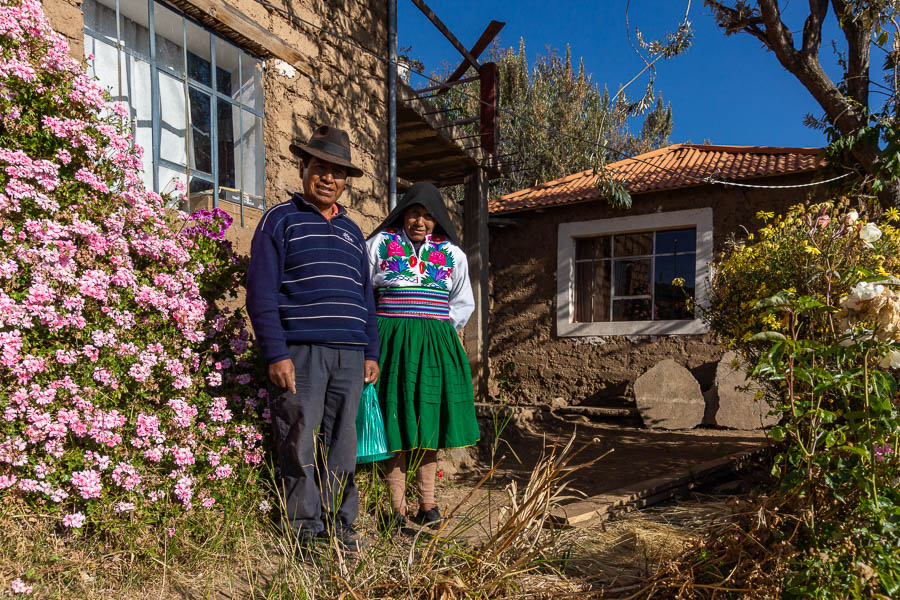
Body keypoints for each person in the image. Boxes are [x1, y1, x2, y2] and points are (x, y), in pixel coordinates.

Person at [246, 125, 380, 552]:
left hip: (350, 354)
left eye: (337, 173)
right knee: (299, 436)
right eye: (319, 168)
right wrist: (276, 352)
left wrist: (370, 351)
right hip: (300, 353)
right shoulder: (279, 220)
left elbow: (366, 296)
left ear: (345, 182)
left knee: (343, 443)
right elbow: (260, 293)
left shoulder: (353, 231)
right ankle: (305, 530)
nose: (328, 178)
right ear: (303, 168)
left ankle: (340, 524)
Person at [366, 182, 480, 529]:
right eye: (414, 213)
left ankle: (428, 504)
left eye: (428, 216)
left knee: (429, 423)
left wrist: (436, 330)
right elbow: (365, 292)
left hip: (434, 346)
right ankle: (397, 509)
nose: (420, 221)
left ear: (438, 220)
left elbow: (463, 304)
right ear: (403, 213)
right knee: (395, 422)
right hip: (392, 343)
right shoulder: (379, 244)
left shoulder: (453, 254)